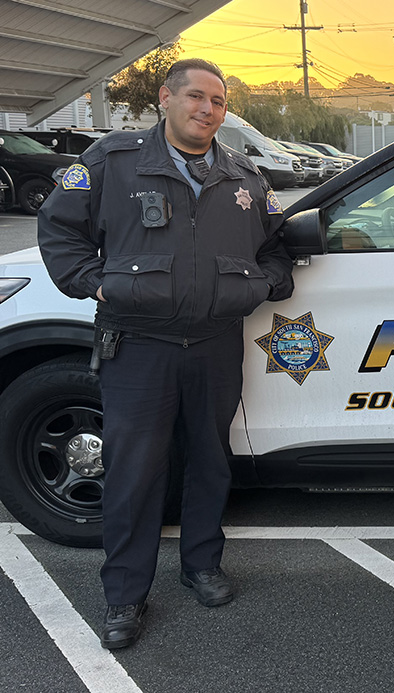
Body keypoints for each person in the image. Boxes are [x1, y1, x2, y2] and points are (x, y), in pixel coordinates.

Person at [38, 58, 295, 649]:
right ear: (165, 98)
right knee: (133, 473)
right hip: (137, 347)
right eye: (197, 97)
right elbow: (59, 229)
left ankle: (202, 566)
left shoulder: (242, 176)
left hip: (214, 344)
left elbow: (277, 245)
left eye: (219, 102)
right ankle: (125, 596)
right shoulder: (113, 162)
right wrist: (92, 282)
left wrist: (262, 285)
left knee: (210, 461)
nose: (208, 110)